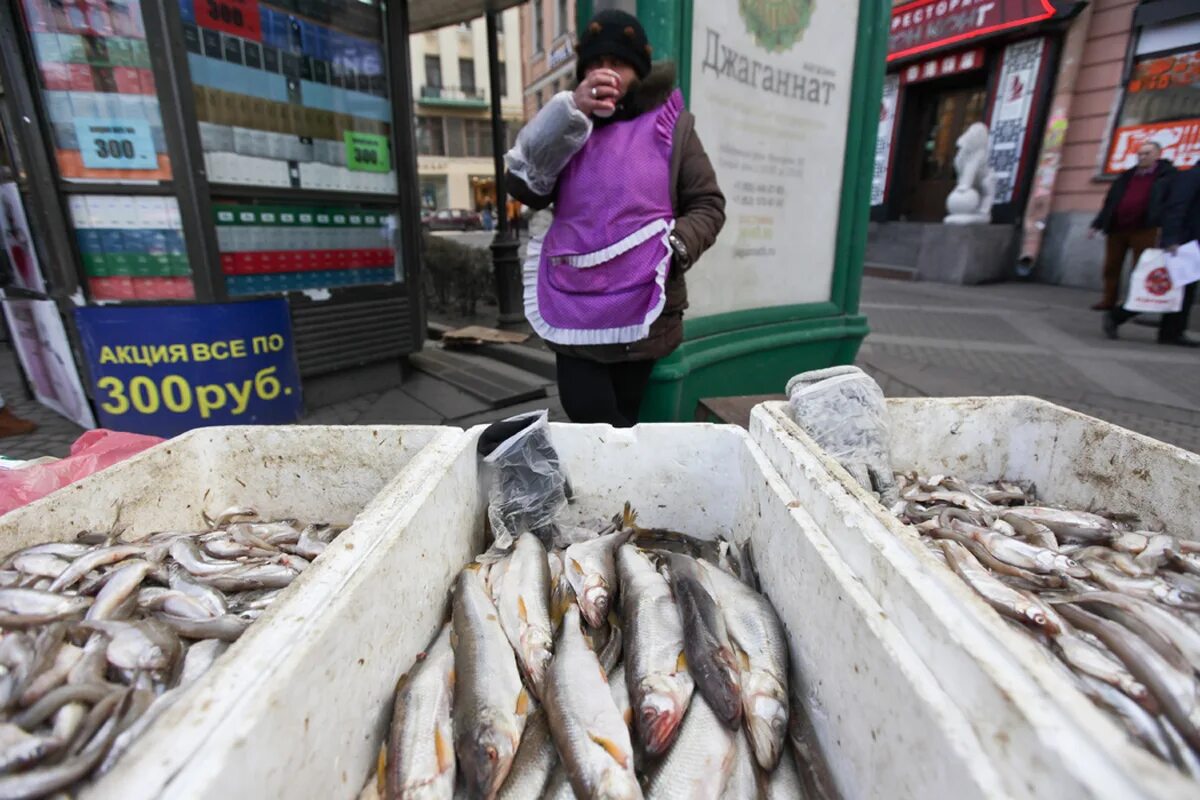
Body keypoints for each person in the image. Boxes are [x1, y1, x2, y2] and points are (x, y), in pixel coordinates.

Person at [504, 10, 725, 427]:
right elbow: (522, 187)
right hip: (575, 301)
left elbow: (707, 204)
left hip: (642, 303)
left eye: (618, 63)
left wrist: (672, 250)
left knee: (623, 424)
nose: (605, 72)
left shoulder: (672, 126)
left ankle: (618, 490)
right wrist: (569, 115)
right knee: (589, 416)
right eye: (595, 63)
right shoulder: (569, 124)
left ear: (638, 72)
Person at [1105, 165, 1200, 347]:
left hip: (1193, 244)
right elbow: (1176, 207)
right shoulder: (1191, 176)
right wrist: (1171, 238)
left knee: (1184, 292)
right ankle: (1117, 315)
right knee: (1160, 289)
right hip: (1183, 243)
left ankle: (1171, 333)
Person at [1088, 141, 1176, 310]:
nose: (1142, 157)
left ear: (1158, 155)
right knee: (1111, 266)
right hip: (1117, 227)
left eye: (1147, 153)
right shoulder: (1126, 176)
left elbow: (1170, 202)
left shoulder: (1167, 176)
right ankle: (1109, 300)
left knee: (1140, 268)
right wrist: (1097, 223)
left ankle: (1133, 303)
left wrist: (1163, 224)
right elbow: (1110, 202)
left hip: (1145, 228)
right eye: (1140, 154)